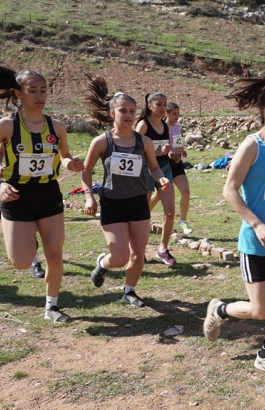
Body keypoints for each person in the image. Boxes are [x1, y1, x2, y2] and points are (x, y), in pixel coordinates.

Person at [0, 63, 84, 323]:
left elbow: (63, 157)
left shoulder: (58, 127)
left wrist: (71, 164)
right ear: (19, 93)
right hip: (16, 194)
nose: (39, 96)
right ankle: (19, 234)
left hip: (48, 193)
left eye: (43, 90)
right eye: (32, 91)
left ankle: (51, 306)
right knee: (20, 261)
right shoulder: (6, 126)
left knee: (54, 254)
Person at [203, 77, 265, 381]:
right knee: (261, 309)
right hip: (256, 243)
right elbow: (230, 190)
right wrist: (256, 224)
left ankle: (264, 356)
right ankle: (220, 311)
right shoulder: (251, 146)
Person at [81, 75, 171, 307]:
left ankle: (129, 291)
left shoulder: (144, 142)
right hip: (113, 202)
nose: (129, 115)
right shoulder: (102, 142)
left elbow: (153, 167)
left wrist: (161, 179)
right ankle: (103, 264)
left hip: (138, 202)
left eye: (132, 111)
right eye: (123, 111)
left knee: (138, 255)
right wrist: (89, 196)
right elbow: (86, 170)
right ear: (113, 114)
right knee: (119, 257)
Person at [135, 92, 177, 265]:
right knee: (143, 213)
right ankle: (139, 250)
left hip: (163, 168)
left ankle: (163, 249)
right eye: (159, 104)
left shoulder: (165, 126)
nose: (163, 108)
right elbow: (135, 152)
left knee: (170, 212)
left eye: (165, 104)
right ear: (150, 106)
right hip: (145, 169)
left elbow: (164, 149)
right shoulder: (143, 125)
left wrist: (172, 154)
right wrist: (158, 152)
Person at [0, 142, 45, 278]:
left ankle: (42, 262)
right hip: (16, 189)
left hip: (43, 190)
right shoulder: (10, 127)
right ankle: (35, 263)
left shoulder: (47, 128)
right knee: (29, 232)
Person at [161, 102, 193, 234]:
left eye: (178, 114)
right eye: (174, 113)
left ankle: (183, 222)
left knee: (186, 192)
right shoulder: (162, 128)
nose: (177, 116)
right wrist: (172, 154)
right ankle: (144, 218)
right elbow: (163, 147)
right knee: (157, 197)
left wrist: (182, 151)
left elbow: (177, 144)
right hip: (165, 164)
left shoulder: (178, 127)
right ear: (166, 113)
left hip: (177, 164)